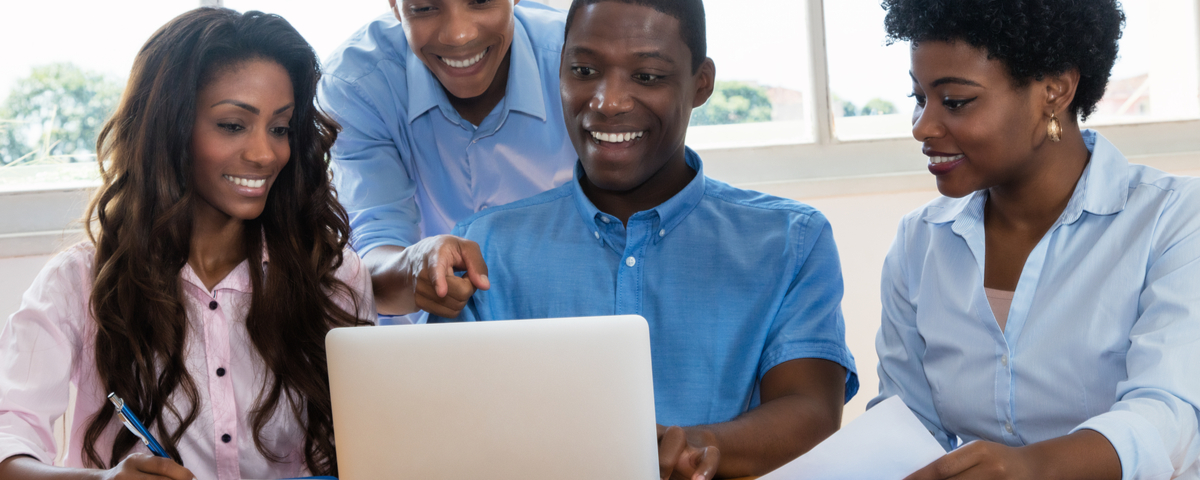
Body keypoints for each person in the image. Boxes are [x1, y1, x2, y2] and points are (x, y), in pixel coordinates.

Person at [430, 1, 857, 478]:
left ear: (701, 83)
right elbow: (441, 427)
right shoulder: (485, 246)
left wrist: (700, 446)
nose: (608, 101)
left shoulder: (790, 242)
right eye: (584, 70)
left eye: (648, 76)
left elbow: (812, 410)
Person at [0, 8, 375, 480]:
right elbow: (8, 434)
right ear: (169, 128)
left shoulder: (335, 277)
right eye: (233, 125)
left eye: (280, 128)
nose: (264, 153)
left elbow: (367, 447)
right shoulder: (78, 281)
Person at [870, 1, 1200, 479]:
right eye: (919, 97)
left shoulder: (1174, 219)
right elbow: (907, 425)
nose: (922, 127)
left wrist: (1028, 468)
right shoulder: (920, 241)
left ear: (1055, 90)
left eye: (956, 101)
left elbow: (1171, 416)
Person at [318, 0, 577, 321]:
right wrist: (412, 267)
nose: (459, 35)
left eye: (480, 1)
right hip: (433, 345)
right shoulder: (357, 85)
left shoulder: (579, 57)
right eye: (424, 8)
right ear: (395, 7)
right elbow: (369, 256)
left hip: (574, 320)